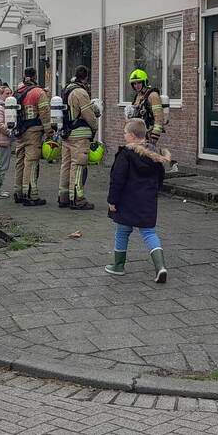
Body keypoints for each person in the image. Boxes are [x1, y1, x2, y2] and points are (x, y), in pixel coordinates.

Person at [105, 118, 171, 283]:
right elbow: (160, 179)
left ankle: (118, 266)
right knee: (149, 232)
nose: (124, 135)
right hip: (147, 201)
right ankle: (160, 266)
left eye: (125, 133)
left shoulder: (126, 154)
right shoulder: (155, 156)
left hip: (126, 201)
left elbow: (117, 179)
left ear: (133, 136)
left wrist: (112, 200)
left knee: (122, 231)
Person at [58, 65, 99, 210]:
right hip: (79, 136)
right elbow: (88, 114)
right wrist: (95, 126)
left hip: (66, 134)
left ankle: (63, 197)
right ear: (86, 77)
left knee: (66, 165)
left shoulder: (66, 89)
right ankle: (77, 198)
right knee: (79, 165)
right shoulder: (80, 92)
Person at [12, 67, 52, 206]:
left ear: (25, 76)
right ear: (35, 76)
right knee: (31, 161)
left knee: (20, 161)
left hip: (19, 132)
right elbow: (45, 113)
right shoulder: (38, 92)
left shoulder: (17, 92)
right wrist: (49, 132)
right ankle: (30, 195)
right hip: (33, 131)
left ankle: (18, 193)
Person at [128, 69, 165, 143]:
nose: (136, 86)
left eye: (139, 83)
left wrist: (155, 134)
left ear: (144, 82)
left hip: (148, 133)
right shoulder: (138, 95)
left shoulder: (153, 95)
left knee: (146, 153)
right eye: (134, 83)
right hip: (137, 134)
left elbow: (159, 116)